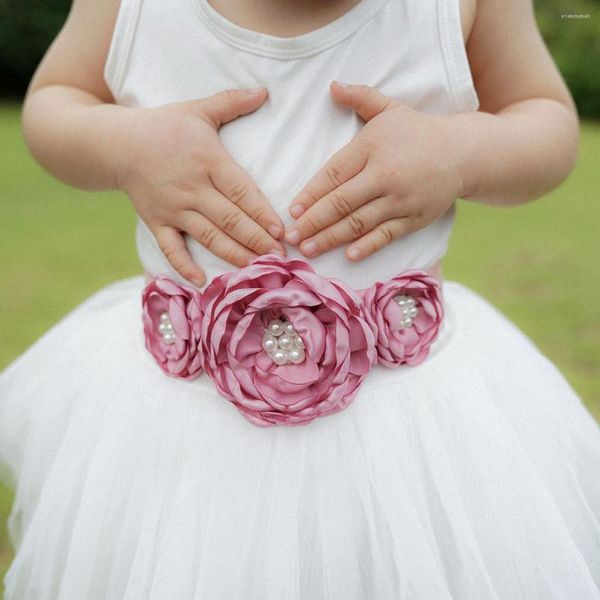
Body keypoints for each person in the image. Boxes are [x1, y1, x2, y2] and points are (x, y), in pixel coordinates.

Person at [1, 0, 599, 597]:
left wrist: (459, 153)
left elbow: (545, 118)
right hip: (176, 435)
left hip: (406, 437)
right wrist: (124, 145)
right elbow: (56, 100)